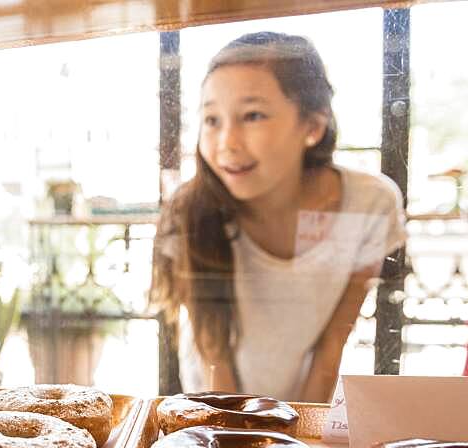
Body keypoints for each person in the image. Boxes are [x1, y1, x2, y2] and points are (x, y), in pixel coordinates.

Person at [151, 32, 406, 403]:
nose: (227, 142)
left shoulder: (368, 204)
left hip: (302, 399)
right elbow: (212, 347)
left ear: (313, 127)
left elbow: (332, 343)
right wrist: (239, 435)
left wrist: (302, 432)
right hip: (215, 403)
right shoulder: (189, 206)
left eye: (252, 115)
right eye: (211, 119)